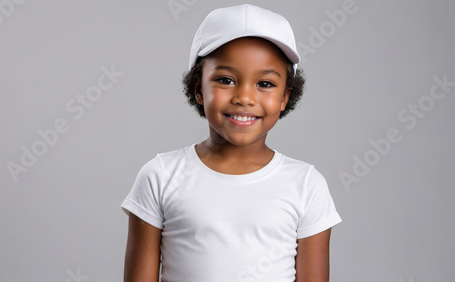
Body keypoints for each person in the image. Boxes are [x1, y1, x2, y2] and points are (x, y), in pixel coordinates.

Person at [121, 4, 342, 282]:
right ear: (198, 89)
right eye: (226, 80)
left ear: (286, 97)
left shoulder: (307, 185)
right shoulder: (160, 176)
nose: (245, 97)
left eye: (265, 84)